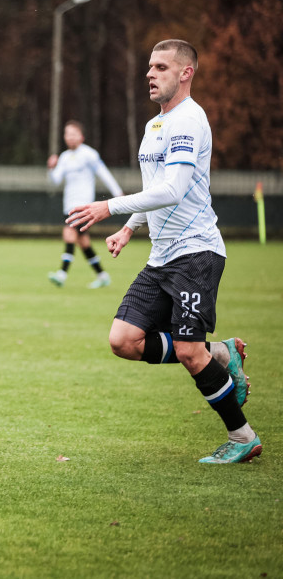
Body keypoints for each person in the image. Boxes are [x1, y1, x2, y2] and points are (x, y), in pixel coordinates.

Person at [67, 39, 259, 464]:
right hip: (162, 255)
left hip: (196, 253)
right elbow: (158, 190)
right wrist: (130, 228)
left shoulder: (189, 120)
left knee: (191, 352)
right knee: (123, 339)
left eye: (160, 67)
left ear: (185, 73)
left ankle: (242, 436)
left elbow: (173, 189)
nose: (150, 74)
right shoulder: (156, 124)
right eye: (149, 67)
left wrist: (108, 206)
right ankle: (222, 353)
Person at [46, 120, 123, 288]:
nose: (70, 137)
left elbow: (103, 173)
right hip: (69, 205)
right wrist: (51, 168)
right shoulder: (65, 157)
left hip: (85, 206)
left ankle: (62, 273)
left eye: (73, 134)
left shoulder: (89, 154)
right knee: (83, 243)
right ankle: (102, 276)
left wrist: (117, 193)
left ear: (81, 136)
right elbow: (55, 181)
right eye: (67, 134)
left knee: (69, 234)